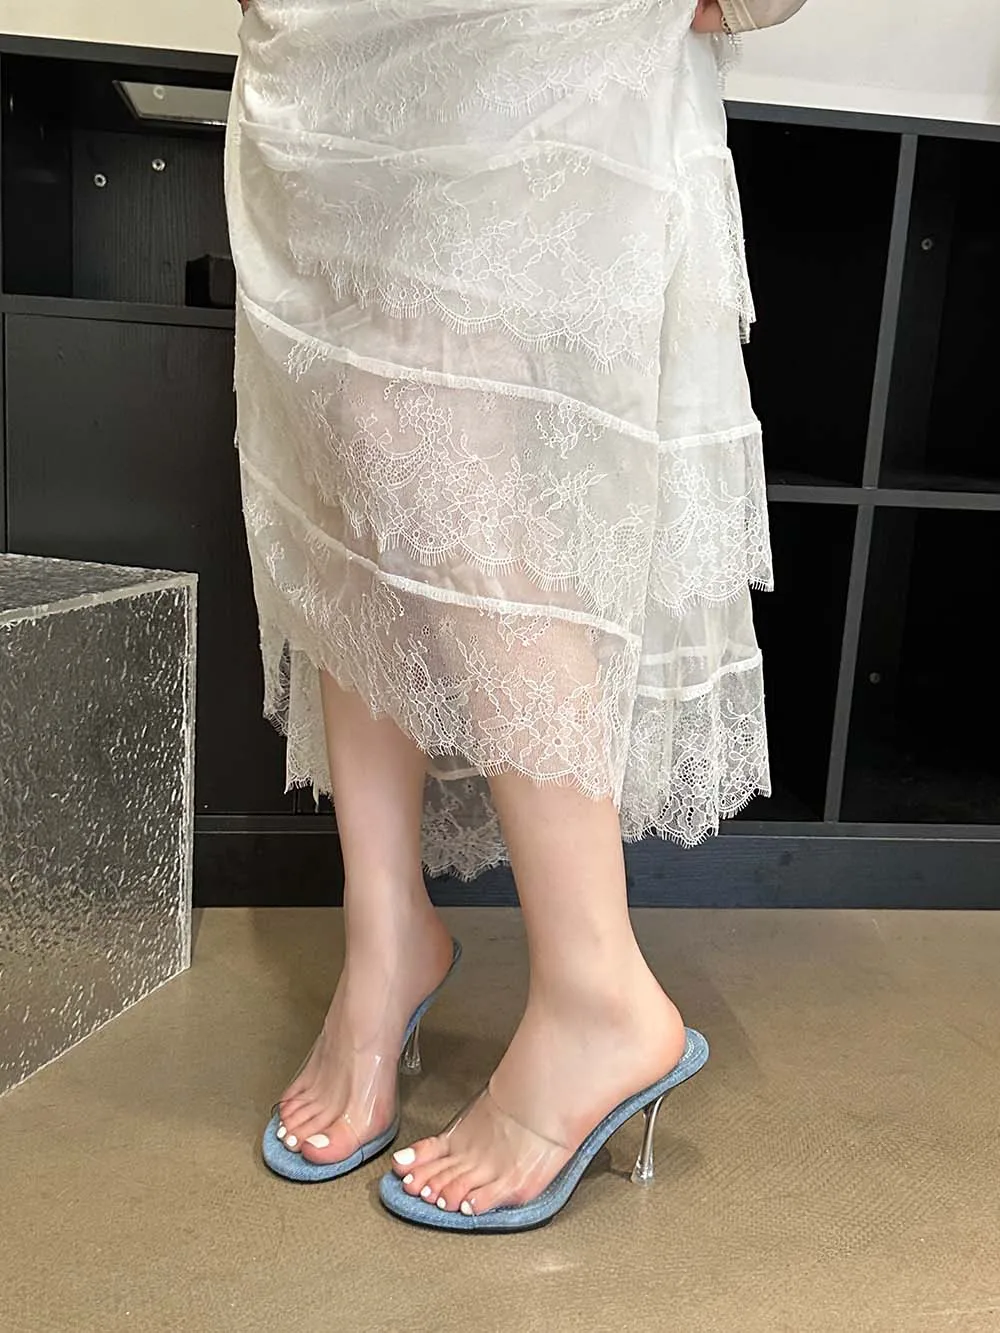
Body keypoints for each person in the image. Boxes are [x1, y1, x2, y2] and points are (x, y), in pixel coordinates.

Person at [225, 0, 809, 1230]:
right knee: (342, 433)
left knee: (425, 431)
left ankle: (596, 989)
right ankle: (385, 935)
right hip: (326, 32)